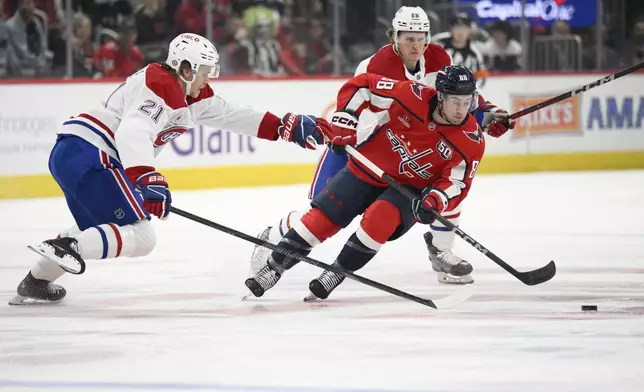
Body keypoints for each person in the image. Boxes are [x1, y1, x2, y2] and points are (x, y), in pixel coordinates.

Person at [9, 33, 336, 305]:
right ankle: (67, 248)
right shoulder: (160, 83)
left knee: (105, 225)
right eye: (205, 70)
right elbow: (132, 132)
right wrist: (148, 178)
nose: (210, 76)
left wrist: (285, 126)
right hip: (92, 154)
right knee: (141, 236)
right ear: (185, 68)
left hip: (74, 153)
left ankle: (36, 280)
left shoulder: (190, 94)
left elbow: (233, 114)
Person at [248, 6, 514, 286]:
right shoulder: (376, 65)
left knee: (447, 182)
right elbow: (358, 99)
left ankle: (441, 249)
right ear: (394, 37)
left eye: (421, 37)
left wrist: (486, 112)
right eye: (407, 37)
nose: (415, 44)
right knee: (322, 215)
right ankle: (273, 236)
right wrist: (344, 123)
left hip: (406, 151)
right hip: (360, 149)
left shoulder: (438, 58)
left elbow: (458, 95)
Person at [245, 65, 485, 299]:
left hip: (408, 190)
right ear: (441, 97)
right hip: (368, 167)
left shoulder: (471, 140)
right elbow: (364, 86)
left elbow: (457, 182)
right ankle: (272, 269)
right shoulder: (411, 95)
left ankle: (335, 273)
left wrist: (435, 199)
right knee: (321, 220)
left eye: (466, 102)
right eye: (455, 101)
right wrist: (345, 121)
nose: (461, 110)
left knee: (380, 219)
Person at [432, 13, 488, 87]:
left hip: (465, 93)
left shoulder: (475, 52)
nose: (460, 32)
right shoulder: (438, 43)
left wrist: (470, 91)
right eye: (457, 28)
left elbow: (482, 76)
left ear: (470, 30)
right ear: (451, 29)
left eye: (464, 28)